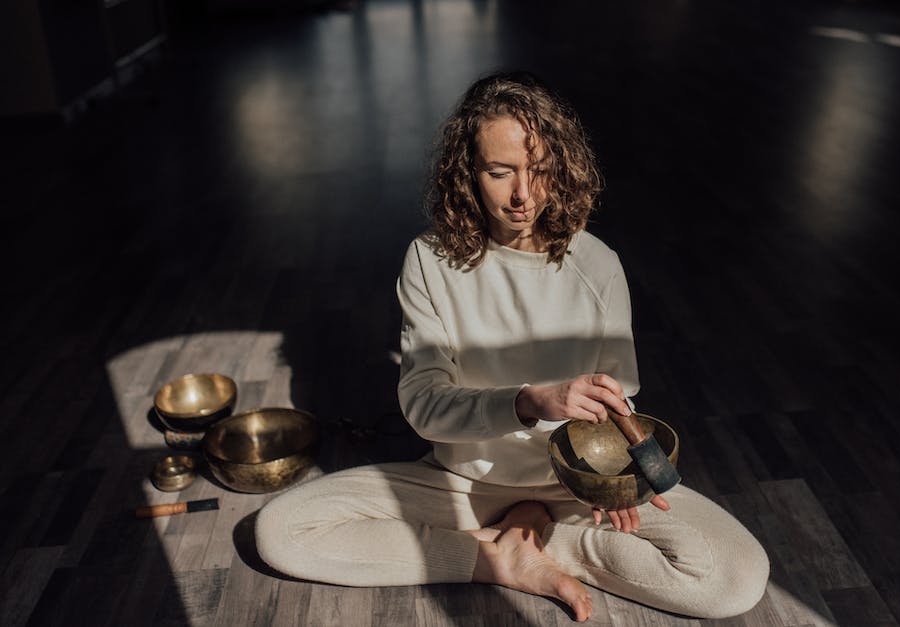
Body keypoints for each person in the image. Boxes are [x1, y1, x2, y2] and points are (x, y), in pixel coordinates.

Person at [256, 71, 769, 621]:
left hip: (573, 491)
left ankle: (539, 539)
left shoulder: (597, 265)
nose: (524, 195)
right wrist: (527, 402)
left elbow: (619, 403)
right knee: (281, 530)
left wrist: (623, 481)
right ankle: (495, 559)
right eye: (500, 173)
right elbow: (424, 407)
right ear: (467, 174)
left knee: (734, 575)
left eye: (541, 171)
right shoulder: (431, 261)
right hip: (463, 486)